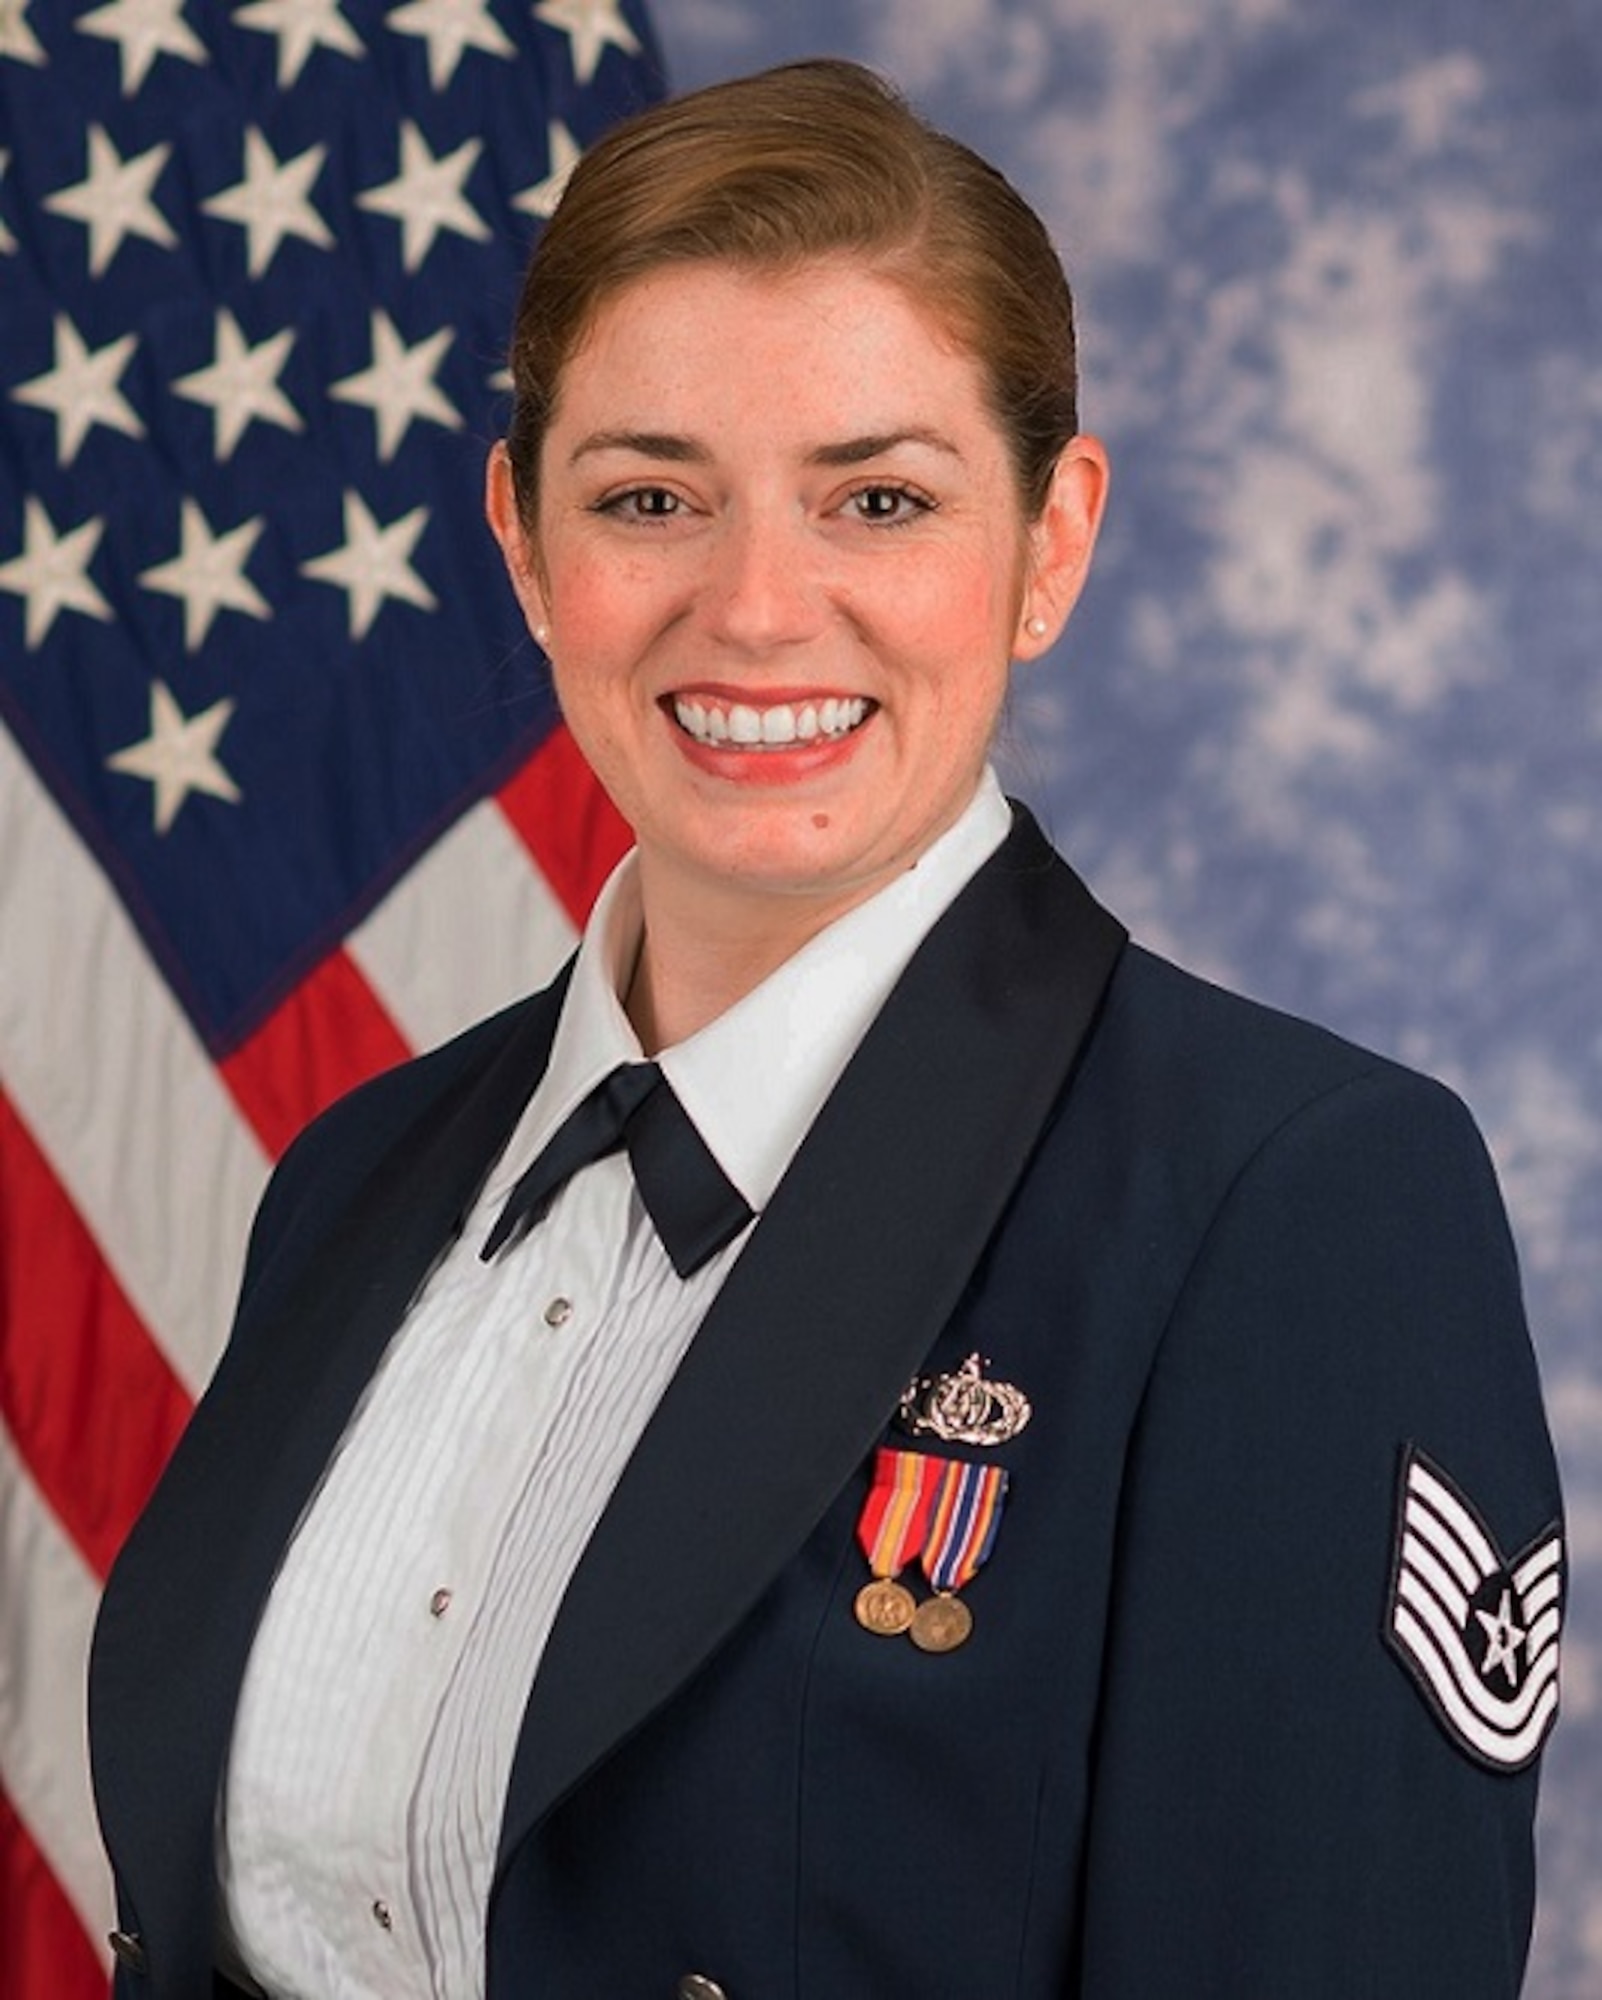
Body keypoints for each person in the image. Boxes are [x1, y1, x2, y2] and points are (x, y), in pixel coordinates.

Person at [89, 58, 1564, 2000]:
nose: (760, 609)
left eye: (878, 497)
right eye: (649, 497)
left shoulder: (1284, 1203)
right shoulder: (356, 1176)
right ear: (525, 544)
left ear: (1048, 545)